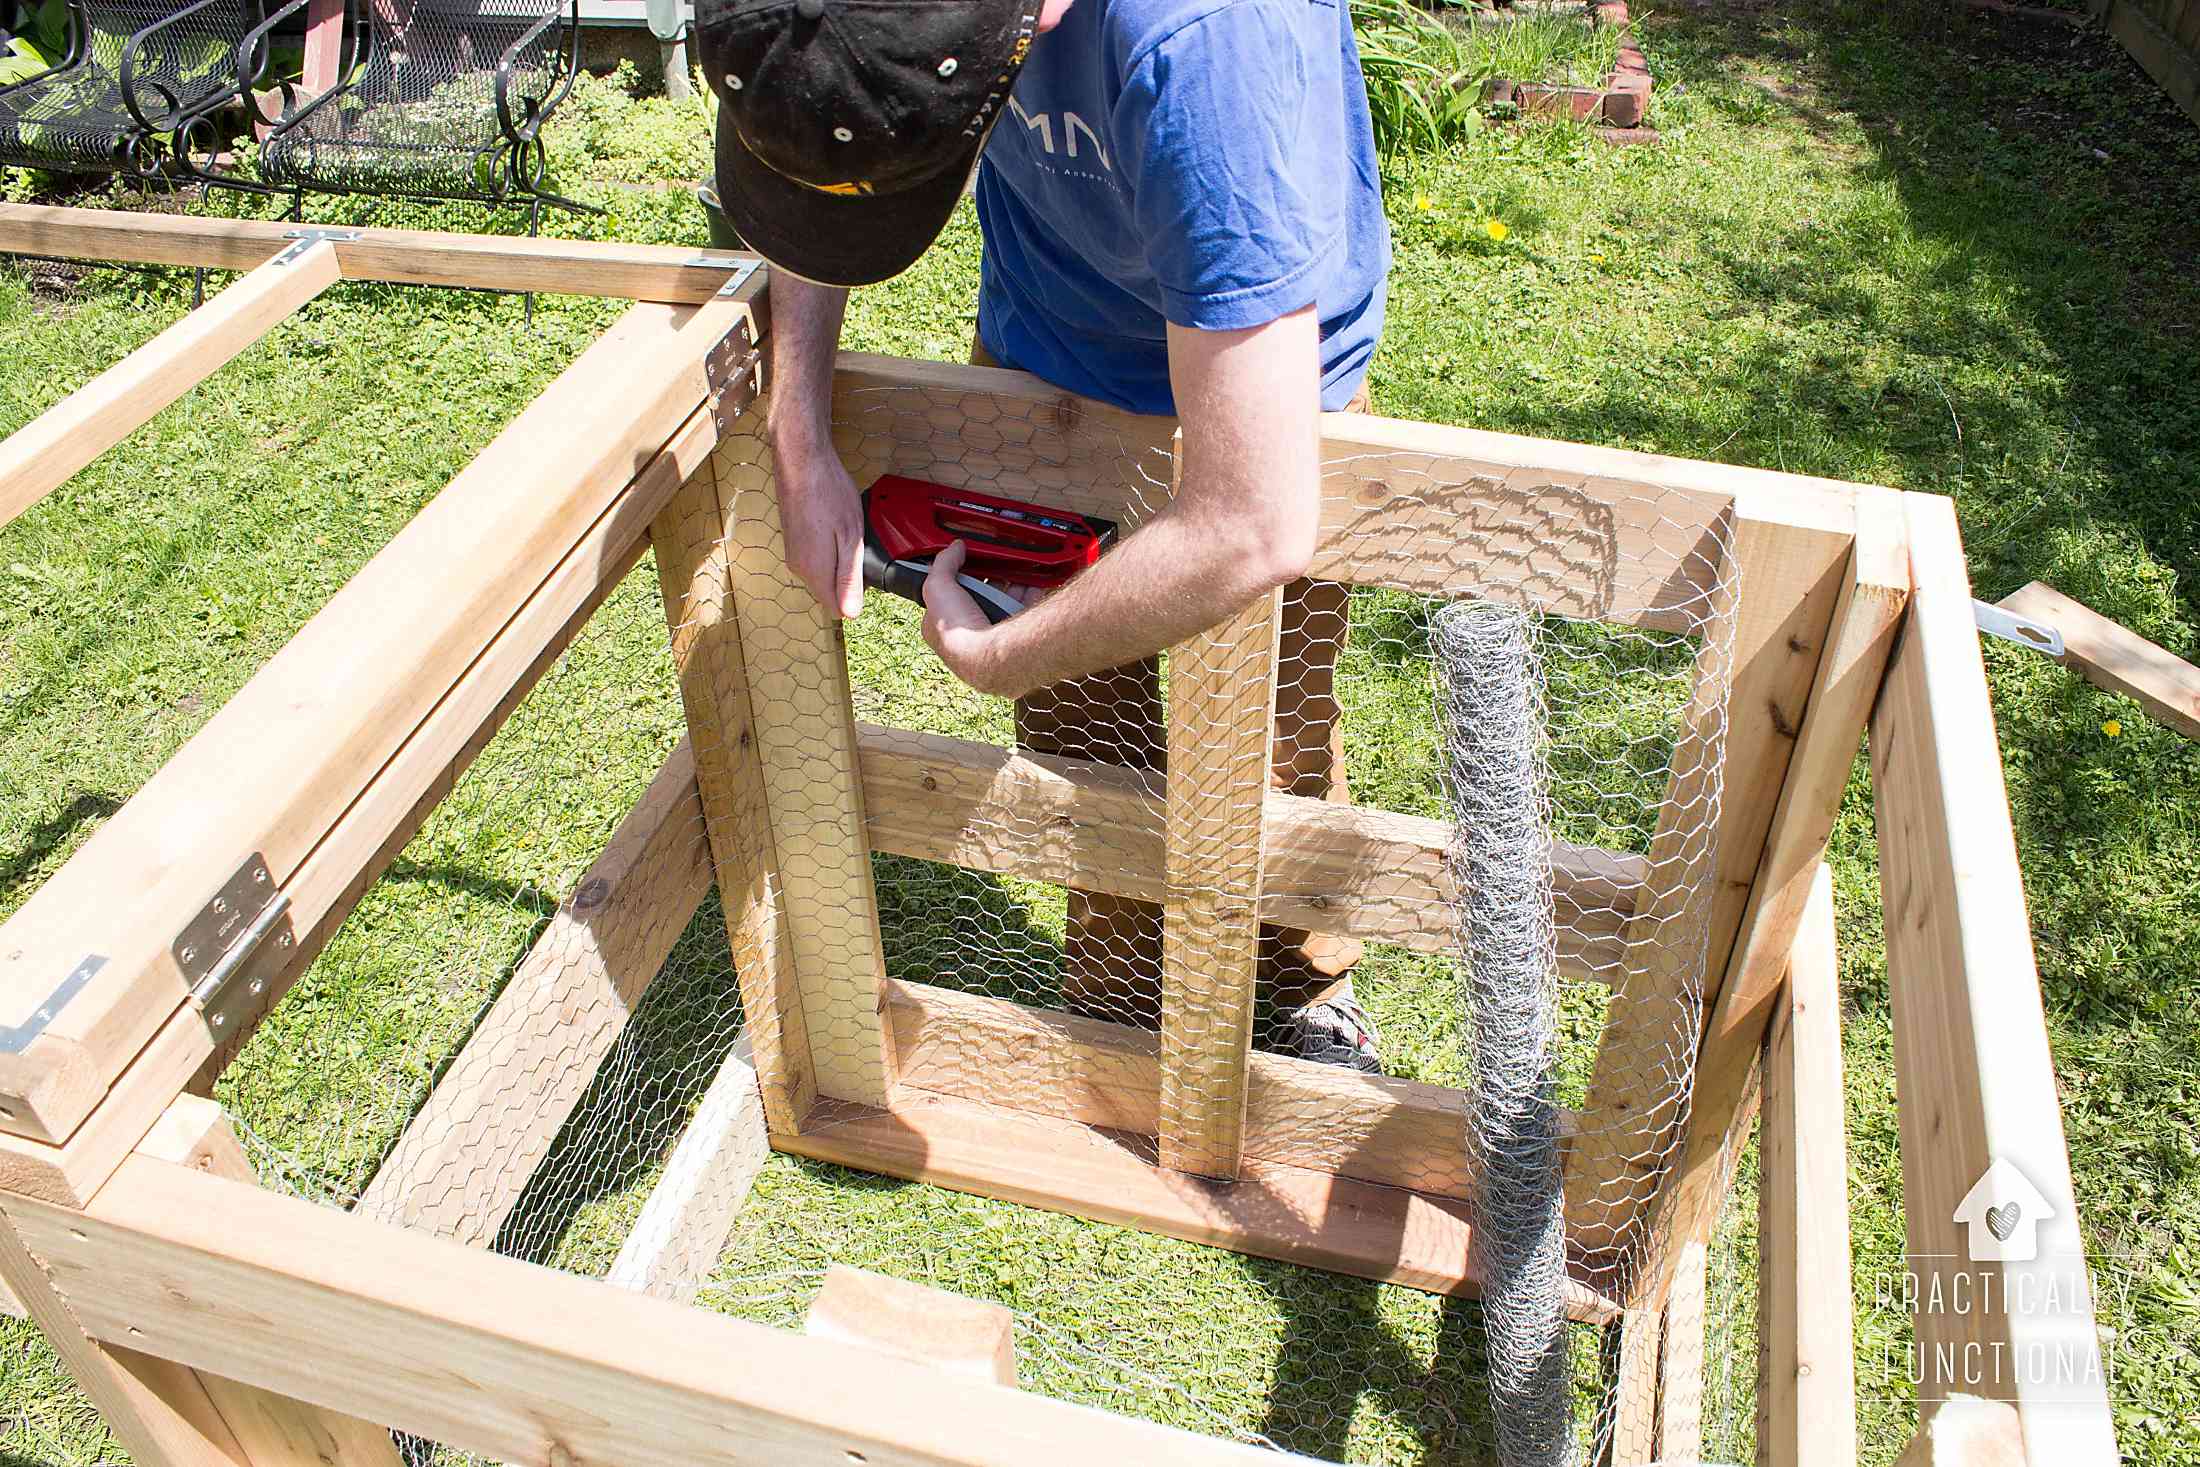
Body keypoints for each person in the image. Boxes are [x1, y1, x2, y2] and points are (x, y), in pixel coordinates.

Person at [698, 0, 1391, 1070]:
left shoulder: (1206, 36)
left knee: (1271, 719)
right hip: (1044, 349)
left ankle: (1300, 986)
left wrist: (997, 654)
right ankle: (1116, 998)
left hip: (1264, 365)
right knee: (1077, 724)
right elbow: (811, 136)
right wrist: (800, 436)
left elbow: (1250, 521)